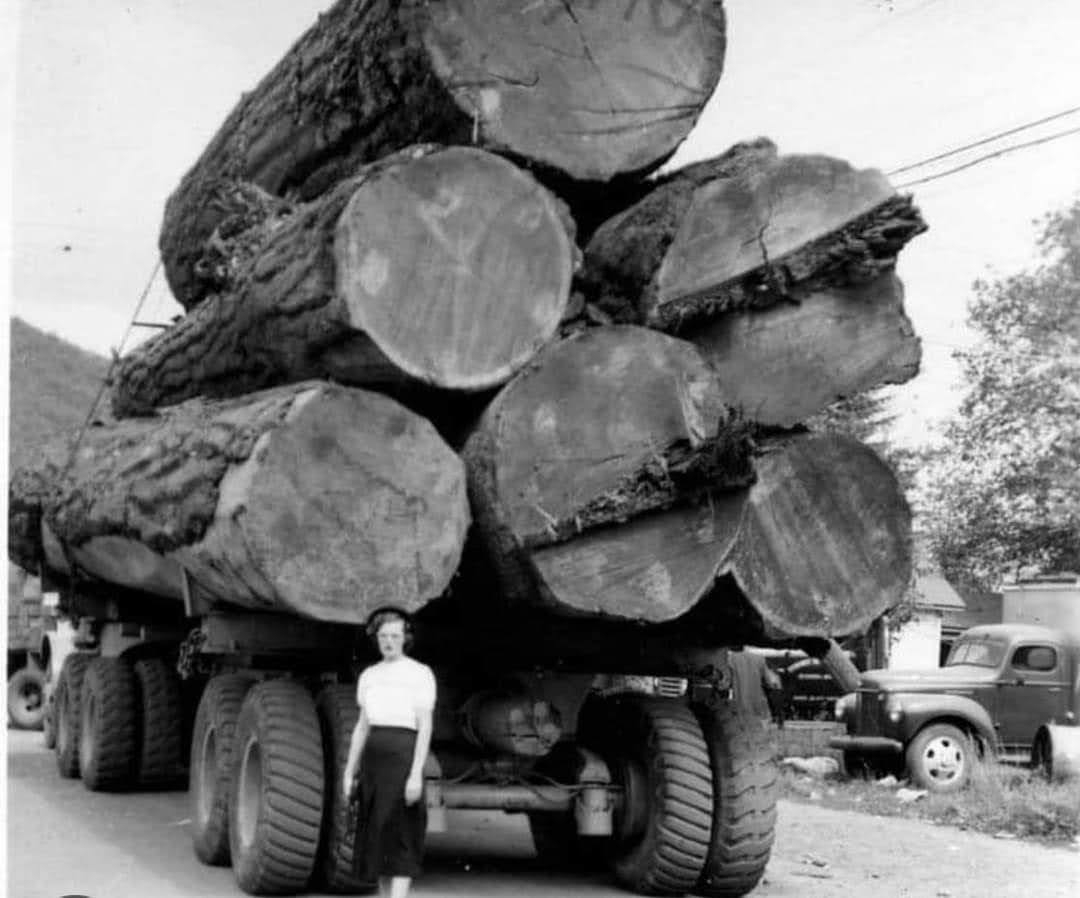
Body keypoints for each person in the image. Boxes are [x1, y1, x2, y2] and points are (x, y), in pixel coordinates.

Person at [343, 608, 436, 898]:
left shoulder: (420, 674)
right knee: (377, 840)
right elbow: (362, 727)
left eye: (395, 636)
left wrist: (415, 776)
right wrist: (349, 771)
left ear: (405, 638)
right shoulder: (369, 676)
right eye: (383, 636)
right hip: (374, 764)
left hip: (403, 759)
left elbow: (425, 727)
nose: (389, 642)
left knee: (401, 838)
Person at [728, 648, 784, 726]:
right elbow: (768, 681)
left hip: (740, 705)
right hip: (758, 704)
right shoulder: (760, 659)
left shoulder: (730, 659)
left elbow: (726, 682)